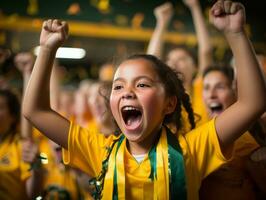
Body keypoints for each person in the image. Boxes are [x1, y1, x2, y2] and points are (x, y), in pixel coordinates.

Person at [23, 1, 266, 199]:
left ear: (170, 104)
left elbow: (252, 103)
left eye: (141, 85)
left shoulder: (192, 149)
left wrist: (235, 34)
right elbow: (36, 111)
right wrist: (45, 50)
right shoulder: (99, 152)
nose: (128, 91)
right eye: (118, 87)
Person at [200, 65, 263, 200]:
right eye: (206, 88)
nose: (211, 95)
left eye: (220, 87)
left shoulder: (247, 143)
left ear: (235, 92)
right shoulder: (196, 131)